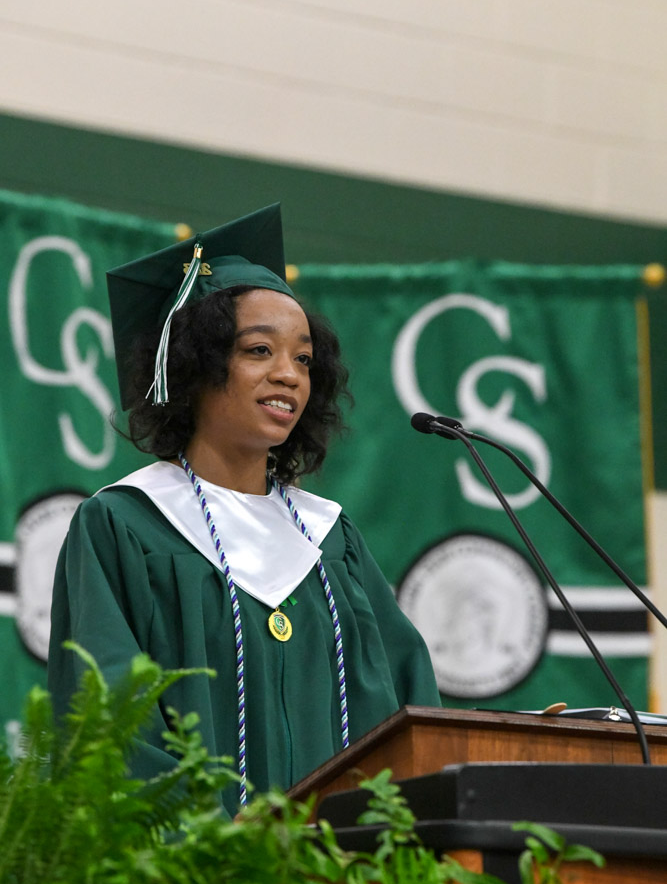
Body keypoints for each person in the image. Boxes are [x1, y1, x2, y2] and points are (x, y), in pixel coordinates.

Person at [48, 204, 441, 814]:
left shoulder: (330, 541)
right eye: (260, 350)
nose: (289, 375)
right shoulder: (124, 525)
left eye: (304, 359)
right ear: (198, 364)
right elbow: (110, 730)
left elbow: (407, 715)